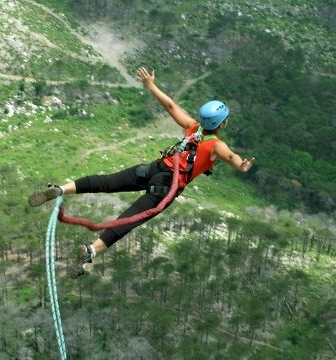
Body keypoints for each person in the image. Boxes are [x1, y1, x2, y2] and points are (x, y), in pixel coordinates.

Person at [28, 67, 255, 278]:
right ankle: (90, 251)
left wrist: (151, 85)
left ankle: (61, 189)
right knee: (127, 220)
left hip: (154, 168)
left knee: (106, 182)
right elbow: (232, 157)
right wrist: (242, 165)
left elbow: (171, 106)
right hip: (167, 186)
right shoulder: (216, 144)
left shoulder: (193, 127)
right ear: (221, 123)